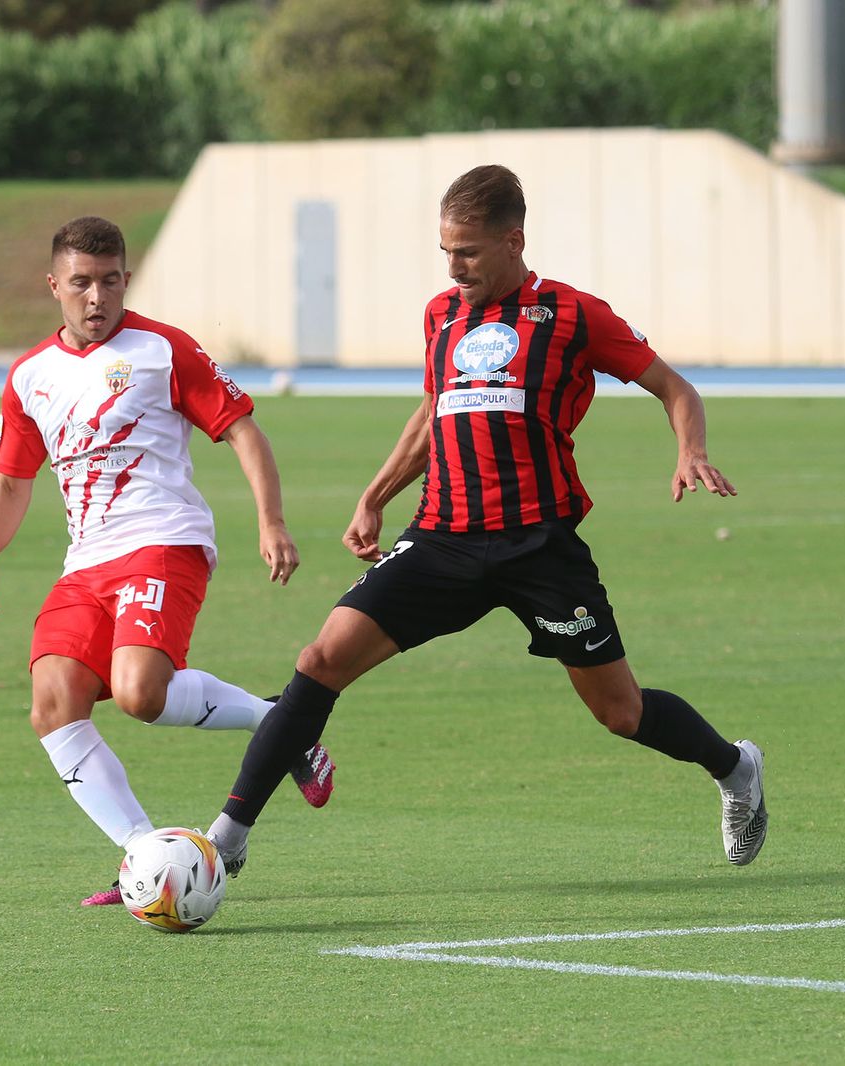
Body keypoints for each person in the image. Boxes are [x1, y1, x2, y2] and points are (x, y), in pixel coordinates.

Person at [205, 165, 765, 879]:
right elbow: (434, 410)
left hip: (541, 546)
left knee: (620, 713)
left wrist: (692, 448)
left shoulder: (571, 314)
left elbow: (672, 386)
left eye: (467, 251)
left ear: (513, 241)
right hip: (442, 536)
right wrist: (376, 494)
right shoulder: (442, 314)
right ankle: (227, 838)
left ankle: (734, 767)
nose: (454, 266)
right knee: (320, 660)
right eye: (445, 251)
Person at [0, 216, 335, 907]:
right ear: (54, 287)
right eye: (81, 283)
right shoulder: (30, 376)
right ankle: (145, 858)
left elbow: (242, 430)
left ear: (126, 279)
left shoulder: (163, 350)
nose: (96, 297)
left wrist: (271, 521)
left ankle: (278, 721)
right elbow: (14, 482)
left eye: (109, 281)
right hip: (86, 563)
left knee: (140, 694)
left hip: (166, 542)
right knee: (53, 705)